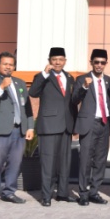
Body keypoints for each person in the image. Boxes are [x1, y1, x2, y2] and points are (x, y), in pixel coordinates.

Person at [0, 52, 34, 207]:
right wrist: (1, 87)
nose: (8, 67)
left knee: (15, 163)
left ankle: (9, 192)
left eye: (11, 64)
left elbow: (27, 107)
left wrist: (30, 127)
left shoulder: (20, 83)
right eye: (5, 64)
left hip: (19, 130)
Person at [29, 47, 76, 207]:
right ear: (49, 61)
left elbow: (71, 102)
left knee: (64, 163)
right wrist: (44, 74)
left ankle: (62, 193)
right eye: (54, 59)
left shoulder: (69, 77)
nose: (57, 62)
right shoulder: (42, 76)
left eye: (60, 59)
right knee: (48, 162)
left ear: (65, 61)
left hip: (66, 126)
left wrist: (74, 124)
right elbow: (33, 92)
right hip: (49, 125)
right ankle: (46, 195)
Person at [71, 49, 110, 206]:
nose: (99, 65)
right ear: (91, 63)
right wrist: (84, 87)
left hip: (104, 124)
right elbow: (74, 100)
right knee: (85, 160)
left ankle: (94, 192)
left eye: (102, 62)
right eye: (96, 62)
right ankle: (83, 193)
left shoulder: (108, 80)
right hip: (89, 124)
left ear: (106, 64)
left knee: (100, 160)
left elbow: (109, 103)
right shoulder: (82, 79)